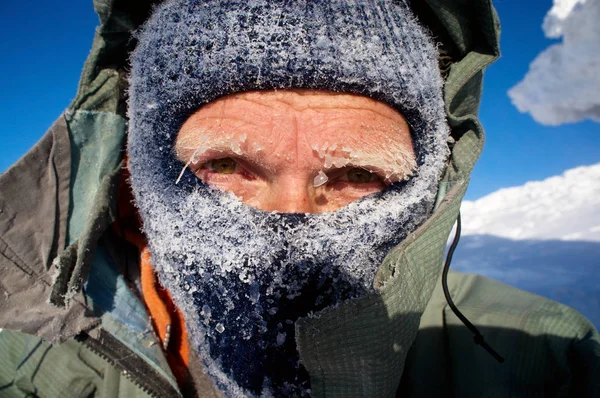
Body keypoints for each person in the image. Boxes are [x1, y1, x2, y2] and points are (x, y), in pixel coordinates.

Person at [0, 0, 598, 397]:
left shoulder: (540, 359)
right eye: (227, 165)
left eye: (358, 174)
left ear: (427, 186)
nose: (289, 224)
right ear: (140, 172)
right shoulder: (20, 347)